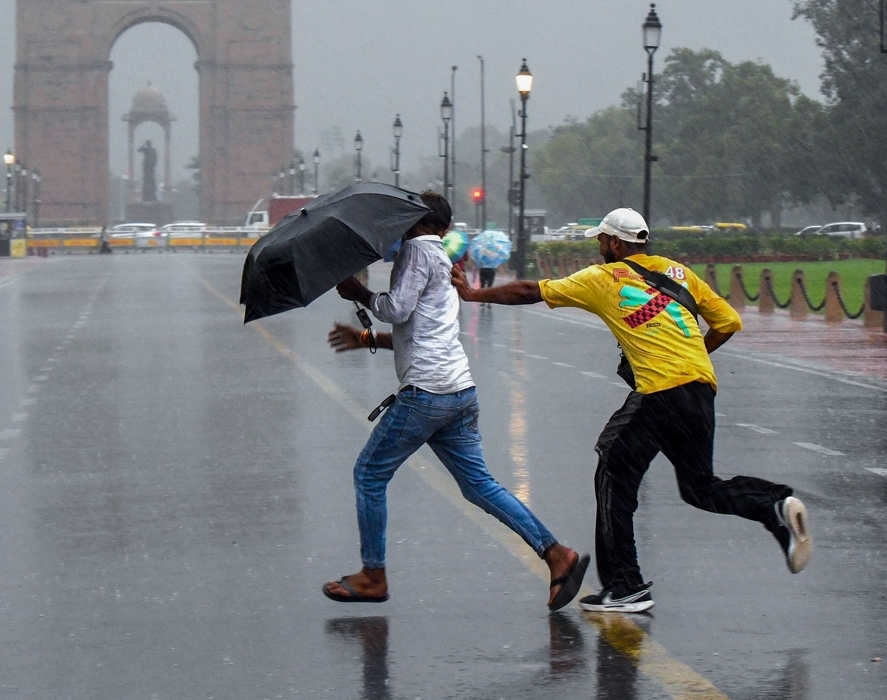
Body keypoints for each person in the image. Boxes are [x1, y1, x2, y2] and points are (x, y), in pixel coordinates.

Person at [450, 207, 811, 614]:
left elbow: (530, 291)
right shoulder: (678, 273)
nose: (600, 247)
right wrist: (692, 357)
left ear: (616, 243)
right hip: (700, 390)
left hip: (660, 393)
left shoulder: (604, 278)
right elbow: (727, 322)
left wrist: (474, 294)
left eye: (602, 240)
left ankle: (624, 586)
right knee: (699, 488)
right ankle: (774, 505)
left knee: (613, 471)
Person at [323, 190, 590, 609]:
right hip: (459, 392)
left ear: (413, 221)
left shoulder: (415, 251)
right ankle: (557, 554)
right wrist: (365, 337)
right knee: (478, 485)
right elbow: (420, 331)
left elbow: (395, 309)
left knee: (369, 475)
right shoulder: (443, 258)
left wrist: (359, 292)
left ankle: (374, 575)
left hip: (426, 395)